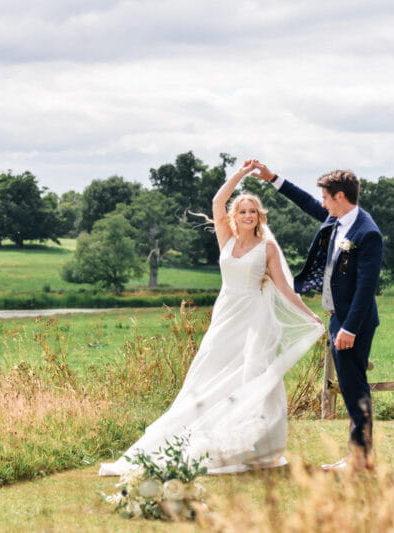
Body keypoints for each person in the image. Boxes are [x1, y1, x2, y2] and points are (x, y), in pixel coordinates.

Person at [99, 160, 324, 476]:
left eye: (253, 212)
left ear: (259, 218)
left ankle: (253, 446)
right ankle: (197, 435)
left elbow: (285, 288)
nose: (247, 216)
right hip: (226, 313)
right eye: (243, 211)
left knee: (251, 372)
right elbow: (218, 202)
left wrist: (310, 315)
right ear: (235, 216)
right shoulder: (227, 239)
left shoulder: (268, 247)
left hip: (254, 318)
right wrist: (241, 174)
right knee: (209, 369)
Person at [253, 163, 383, 472]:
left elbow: (366, 287)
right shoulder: (338, 219)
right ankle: (358, 456)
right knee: (352, 387)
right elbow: (307, 203)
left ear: (339, 196)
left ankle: (360, 457)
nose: (321, 203)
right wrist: (273, 179)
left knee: (354, 388)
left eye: (325, 197)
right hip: (339, 317)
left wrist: (349, 327)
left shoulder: (367, 232)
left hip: (354, 321)